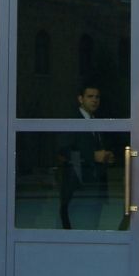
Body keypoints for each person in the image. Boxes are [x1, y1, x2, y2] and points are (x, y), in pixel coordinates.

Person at [58, 85, 114, 229]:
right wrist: (93, 156)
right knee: (78, 230)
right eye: (90, 96)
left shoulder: (96, 120)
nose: (94, 100)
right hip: (78, 187)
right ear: (80, 99)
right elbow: (65, 150)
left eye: (97, 97)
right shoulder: (72, 120)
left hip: (97, 188)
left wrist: (107, 156)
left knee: (92, 228)